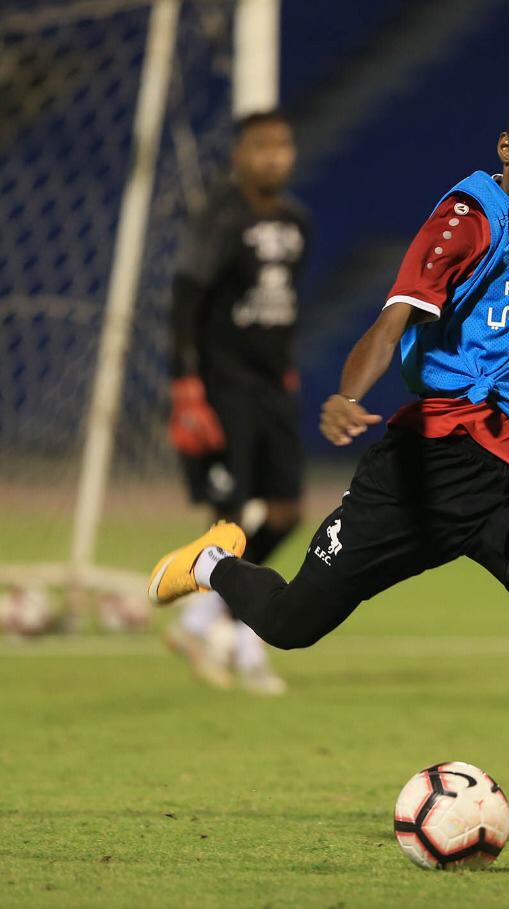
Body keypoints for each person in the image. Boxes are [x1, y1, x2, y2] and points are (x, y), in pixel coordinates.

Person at [148, 80, 509, 845]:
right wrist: (349, 393)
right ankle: (213, 563)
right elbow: (396, 317)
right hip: (433, 464)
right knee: (291, 621)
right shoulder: (467, 219)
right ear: (508, 148)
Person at [165, 110, 309, 696]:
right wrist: (185, 386)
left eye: (283, 145)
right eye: (261, 147)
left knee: (286, 511)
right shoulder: (220, 218)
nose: (274, 156)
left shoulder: (298, 222)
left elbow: (285, 304)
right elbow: (186, 300)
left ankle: (201, 619)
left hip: (273, 387)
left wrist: (285, 366)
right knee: (228, 521)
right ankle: (240, 636)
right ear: (239, 156)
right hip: (223, 386)